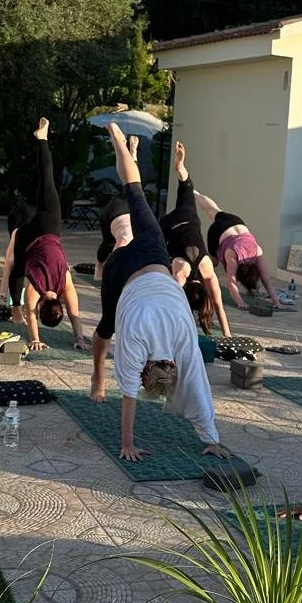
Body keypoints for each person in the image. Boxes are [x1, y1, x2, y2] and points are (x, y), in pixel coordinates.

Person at [88, 122, 228, 463]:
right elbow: (130, 396)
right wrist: (127, 444)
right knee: (107, 325)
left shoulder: (184, 340)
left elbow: (195, 386)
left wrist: (213, 438)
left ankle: (121, 144)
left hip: (154, 255)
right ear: (145, 371)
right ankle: (97, 374)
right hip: (123, 270)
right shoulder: (138, 342)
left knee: (135, 192)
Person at [0, 120, 90, 353]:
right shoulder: (35, 290)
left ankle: (42, 139)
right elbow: (31, 315)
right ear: (42, 306)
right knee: (17, 269)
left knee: (46, 179)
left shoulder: (65, 284)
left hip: (49, 225)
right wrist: (34, 339)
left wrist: (80, 336)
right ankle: (13, 306)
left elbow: (75, 314)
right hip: (28, 236)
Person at [158, 143, 233, 337]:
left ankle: (181, 168)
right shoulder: (181, 275)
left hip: (187, 216)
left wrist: (227, 333)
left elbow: (217, 305)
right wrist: (227, 337)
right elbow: (218, 307)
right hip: (166, 227)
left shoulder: (207, 270)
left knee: (186, 186)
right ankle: (179, 167)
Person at [193, 187, 283, 311]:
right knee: (212, 264)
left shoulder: (257, 251)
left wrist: (277, 302)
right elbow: (232, 282)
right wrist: (240, 302)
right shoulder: (233, 257)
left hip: (236, 223)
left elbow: (266, 281)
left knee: (215, 210)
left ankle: (196, 194)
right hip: (217, 232)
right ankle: (195, 279)